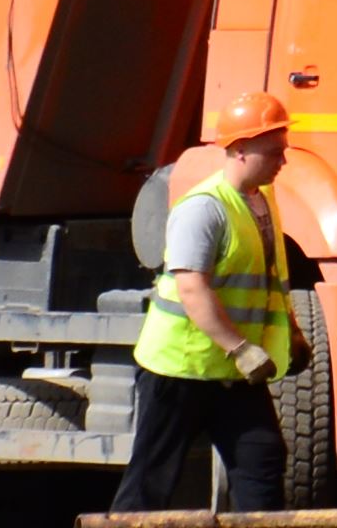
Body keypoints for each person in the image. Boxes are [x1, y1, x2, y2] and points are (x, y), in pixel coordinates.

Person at [119, 100, 298, 511]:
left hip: (232, 372)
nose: (283, 160)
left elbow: (271, 280)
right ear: (239, 150)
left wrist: (294, 333)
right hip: (181, 368)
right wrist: (241, 348)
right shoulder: (204, 208)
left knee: (262, 460)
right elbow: (192, 289)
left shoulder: (262, 201)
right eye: (274, 151)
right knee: (152, 480)